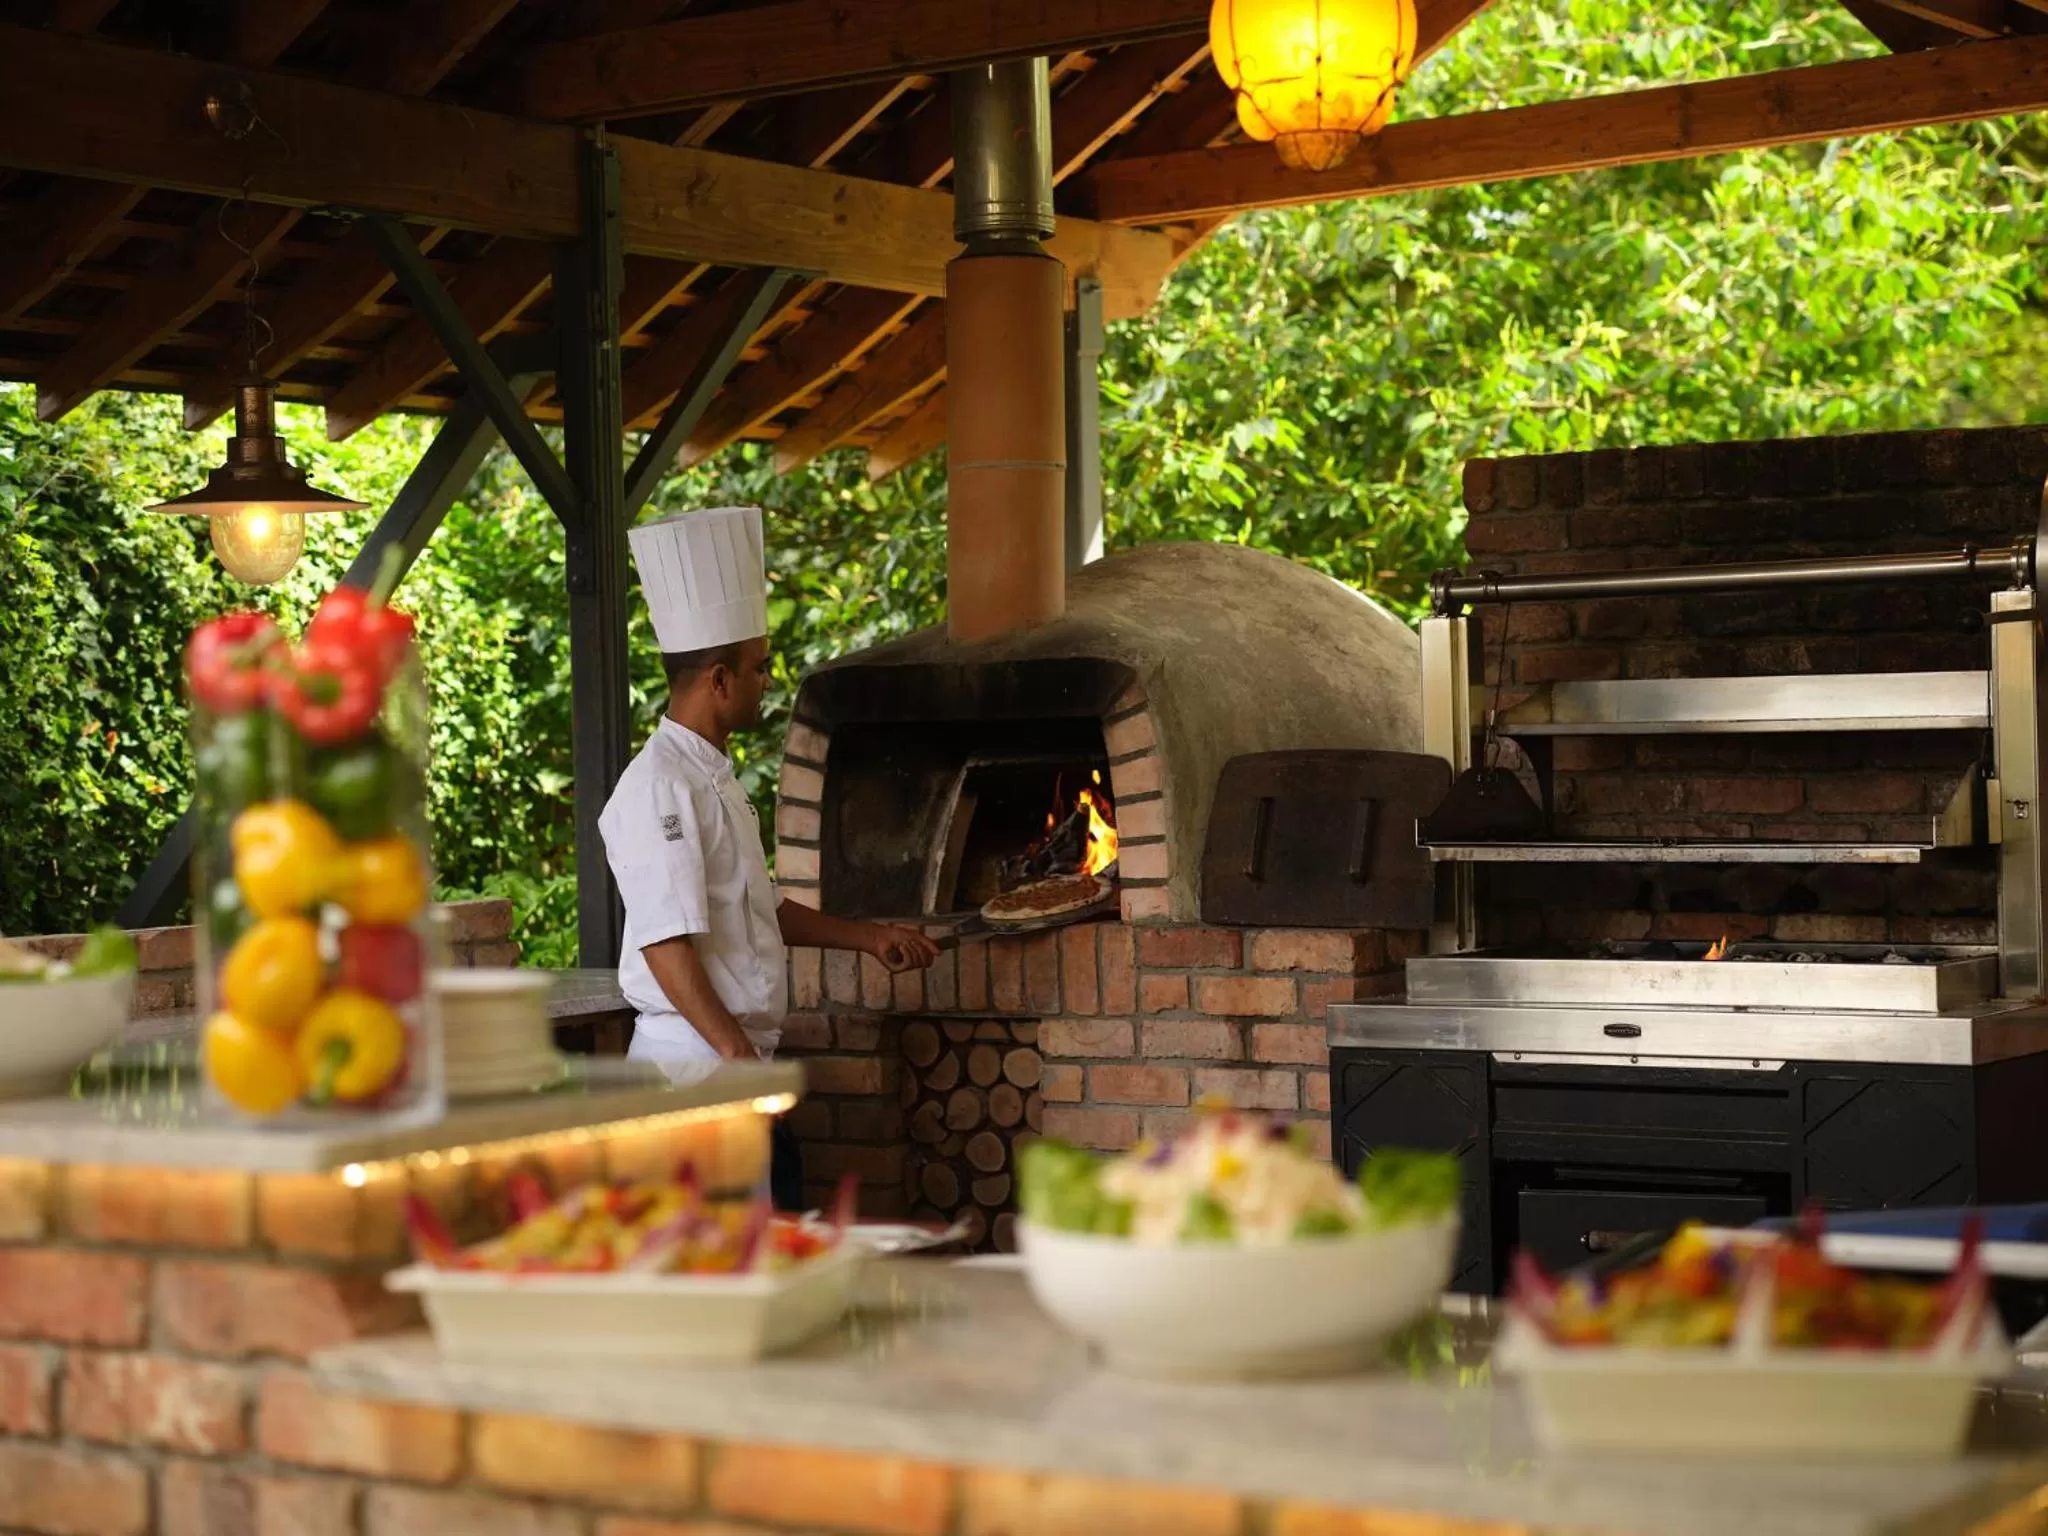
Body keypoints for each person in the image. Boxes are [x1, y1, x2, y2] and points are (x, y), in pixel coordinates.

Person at [600, 506, 937, 1213]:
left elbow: (761, 909)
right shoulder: (659, 785)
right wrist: (738, 1061)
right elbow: (666, 945)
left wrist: (870, 938)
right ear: (718, 680)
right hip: (694, 1086)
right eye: (759, 669)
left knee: (770, 1256)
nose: (768, 683)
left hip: (729, 1073)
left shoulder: (713, 777)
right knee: (723, 1280)